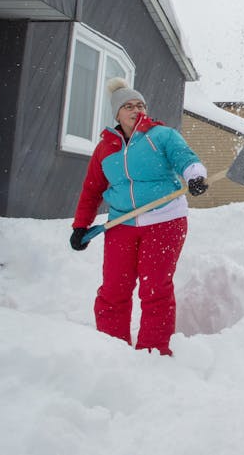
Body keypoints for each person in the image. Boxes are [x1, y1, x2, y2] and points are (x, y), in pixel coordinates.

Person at [69, 77, 209, 356]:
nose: (136, 110)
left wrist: (195, 175)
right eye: (129, 106)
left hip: (165, 220)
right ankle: (112, 349)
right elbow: (92, 190)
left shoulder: (161, 136)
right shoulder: (105, 149)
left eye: (140, 105)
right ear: (117, 113)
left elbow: (185, 158)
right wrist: (80, 225)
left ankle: (153, 352)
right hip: (121, 223)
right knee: (113, 289)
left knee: (155, 288)